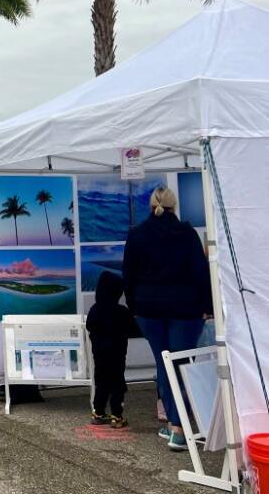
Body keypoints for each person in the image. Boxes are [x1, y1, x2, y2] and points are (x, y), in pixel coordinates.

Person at [123, 185, 212, 452]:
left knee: (165, 365)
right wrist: (207, 306)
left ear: (150, 206)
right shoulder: (187, 233)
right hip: (185, 311)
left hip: (149, 311)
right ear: (174, 205)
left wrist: (134, 307)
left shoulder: (137, 235)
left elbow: (128, 276)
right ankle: (178, 427)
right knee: (182, 364)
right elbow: (200, 272)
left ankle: (176, 425)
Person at [87, 271, 131, 428]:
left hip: (99, 354)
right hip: (117, 355)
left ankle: (98, 412)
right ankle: (117, 416)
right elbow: (132, 329)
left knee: (102, 383)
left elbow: (89, 326)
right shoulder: (122, 312)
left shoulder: (94, 309)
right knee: (117, 384)